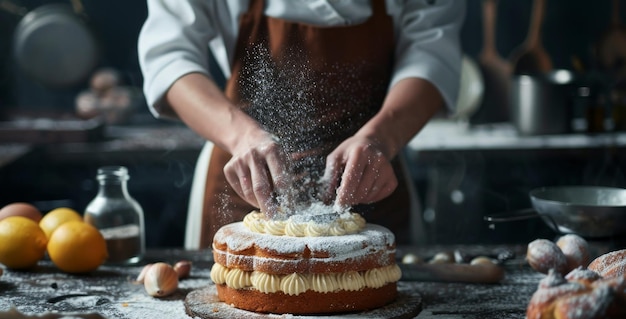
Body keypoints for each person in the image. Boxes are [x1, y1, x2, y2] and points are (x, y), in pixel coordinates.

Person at [138, 0, 465, 249]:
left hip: (373, 177)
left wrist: (380, 137)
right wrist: (241, 137)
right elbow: (170, 56)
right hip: (243, 180)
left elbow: (432, 51)